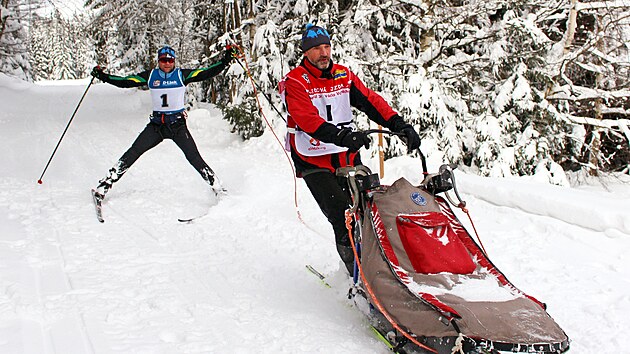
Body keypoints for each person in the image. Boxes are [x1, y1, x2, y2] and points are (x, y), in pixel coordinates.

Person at [279, 24, 421, 275]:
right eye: (316, 49)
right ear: (305, 53)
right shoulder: (295, 82)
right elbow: (307, 120)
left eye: (326, 47)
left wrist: (398, 124)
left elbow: (370, 101)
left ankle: (386, 267)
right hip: (313, 159)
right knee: (342, 216)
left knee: (370, 210)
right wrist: (343, 136)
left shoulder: (343, 75)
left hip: (347, 155)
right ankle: (356, 275)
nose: (324, 53)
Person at [90, 45, 237, 200]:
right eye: (163, 60)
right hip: (157, 126)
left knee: (194, 157)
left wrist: (226, 59)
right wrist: (103, 76)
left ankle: (217, 187)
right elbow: (125, 81)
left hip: (177, 125)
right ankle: (104, 185)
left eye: (170, 60)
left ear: (174, 61)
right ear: (158, 61)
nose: (167, 63)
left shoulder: (182, 75)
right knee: (132, 153)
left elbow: (206, 72)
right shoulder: (151, 76)